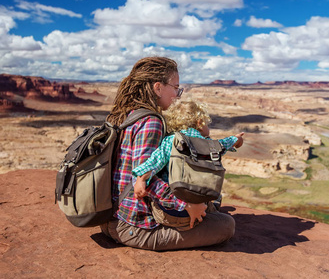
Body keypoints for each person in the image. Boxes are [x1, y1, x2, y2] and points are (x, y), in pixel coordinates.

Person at [100, 57, 239, 251]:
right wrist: (186, 206)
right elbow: (144, 177)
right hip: (135, 227)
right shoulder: (151, 122)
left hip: (114, 218)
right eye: (176, 88)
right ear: (158, 88)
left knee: (212, 205)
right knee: (225, 225)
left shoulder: (130, 114)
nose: (178, 94)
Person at [132, 100, 244, 219]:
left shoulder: (172, 140)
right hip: (196, 204)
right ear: (199, 122)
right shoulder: (208, 144)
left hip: (173, 209)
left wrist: (141, 178)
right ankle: (212, 208)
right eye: (206, 123)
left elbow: (154, 162)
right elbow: (223, 143)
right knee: (217, 198)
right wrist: (236, 140)